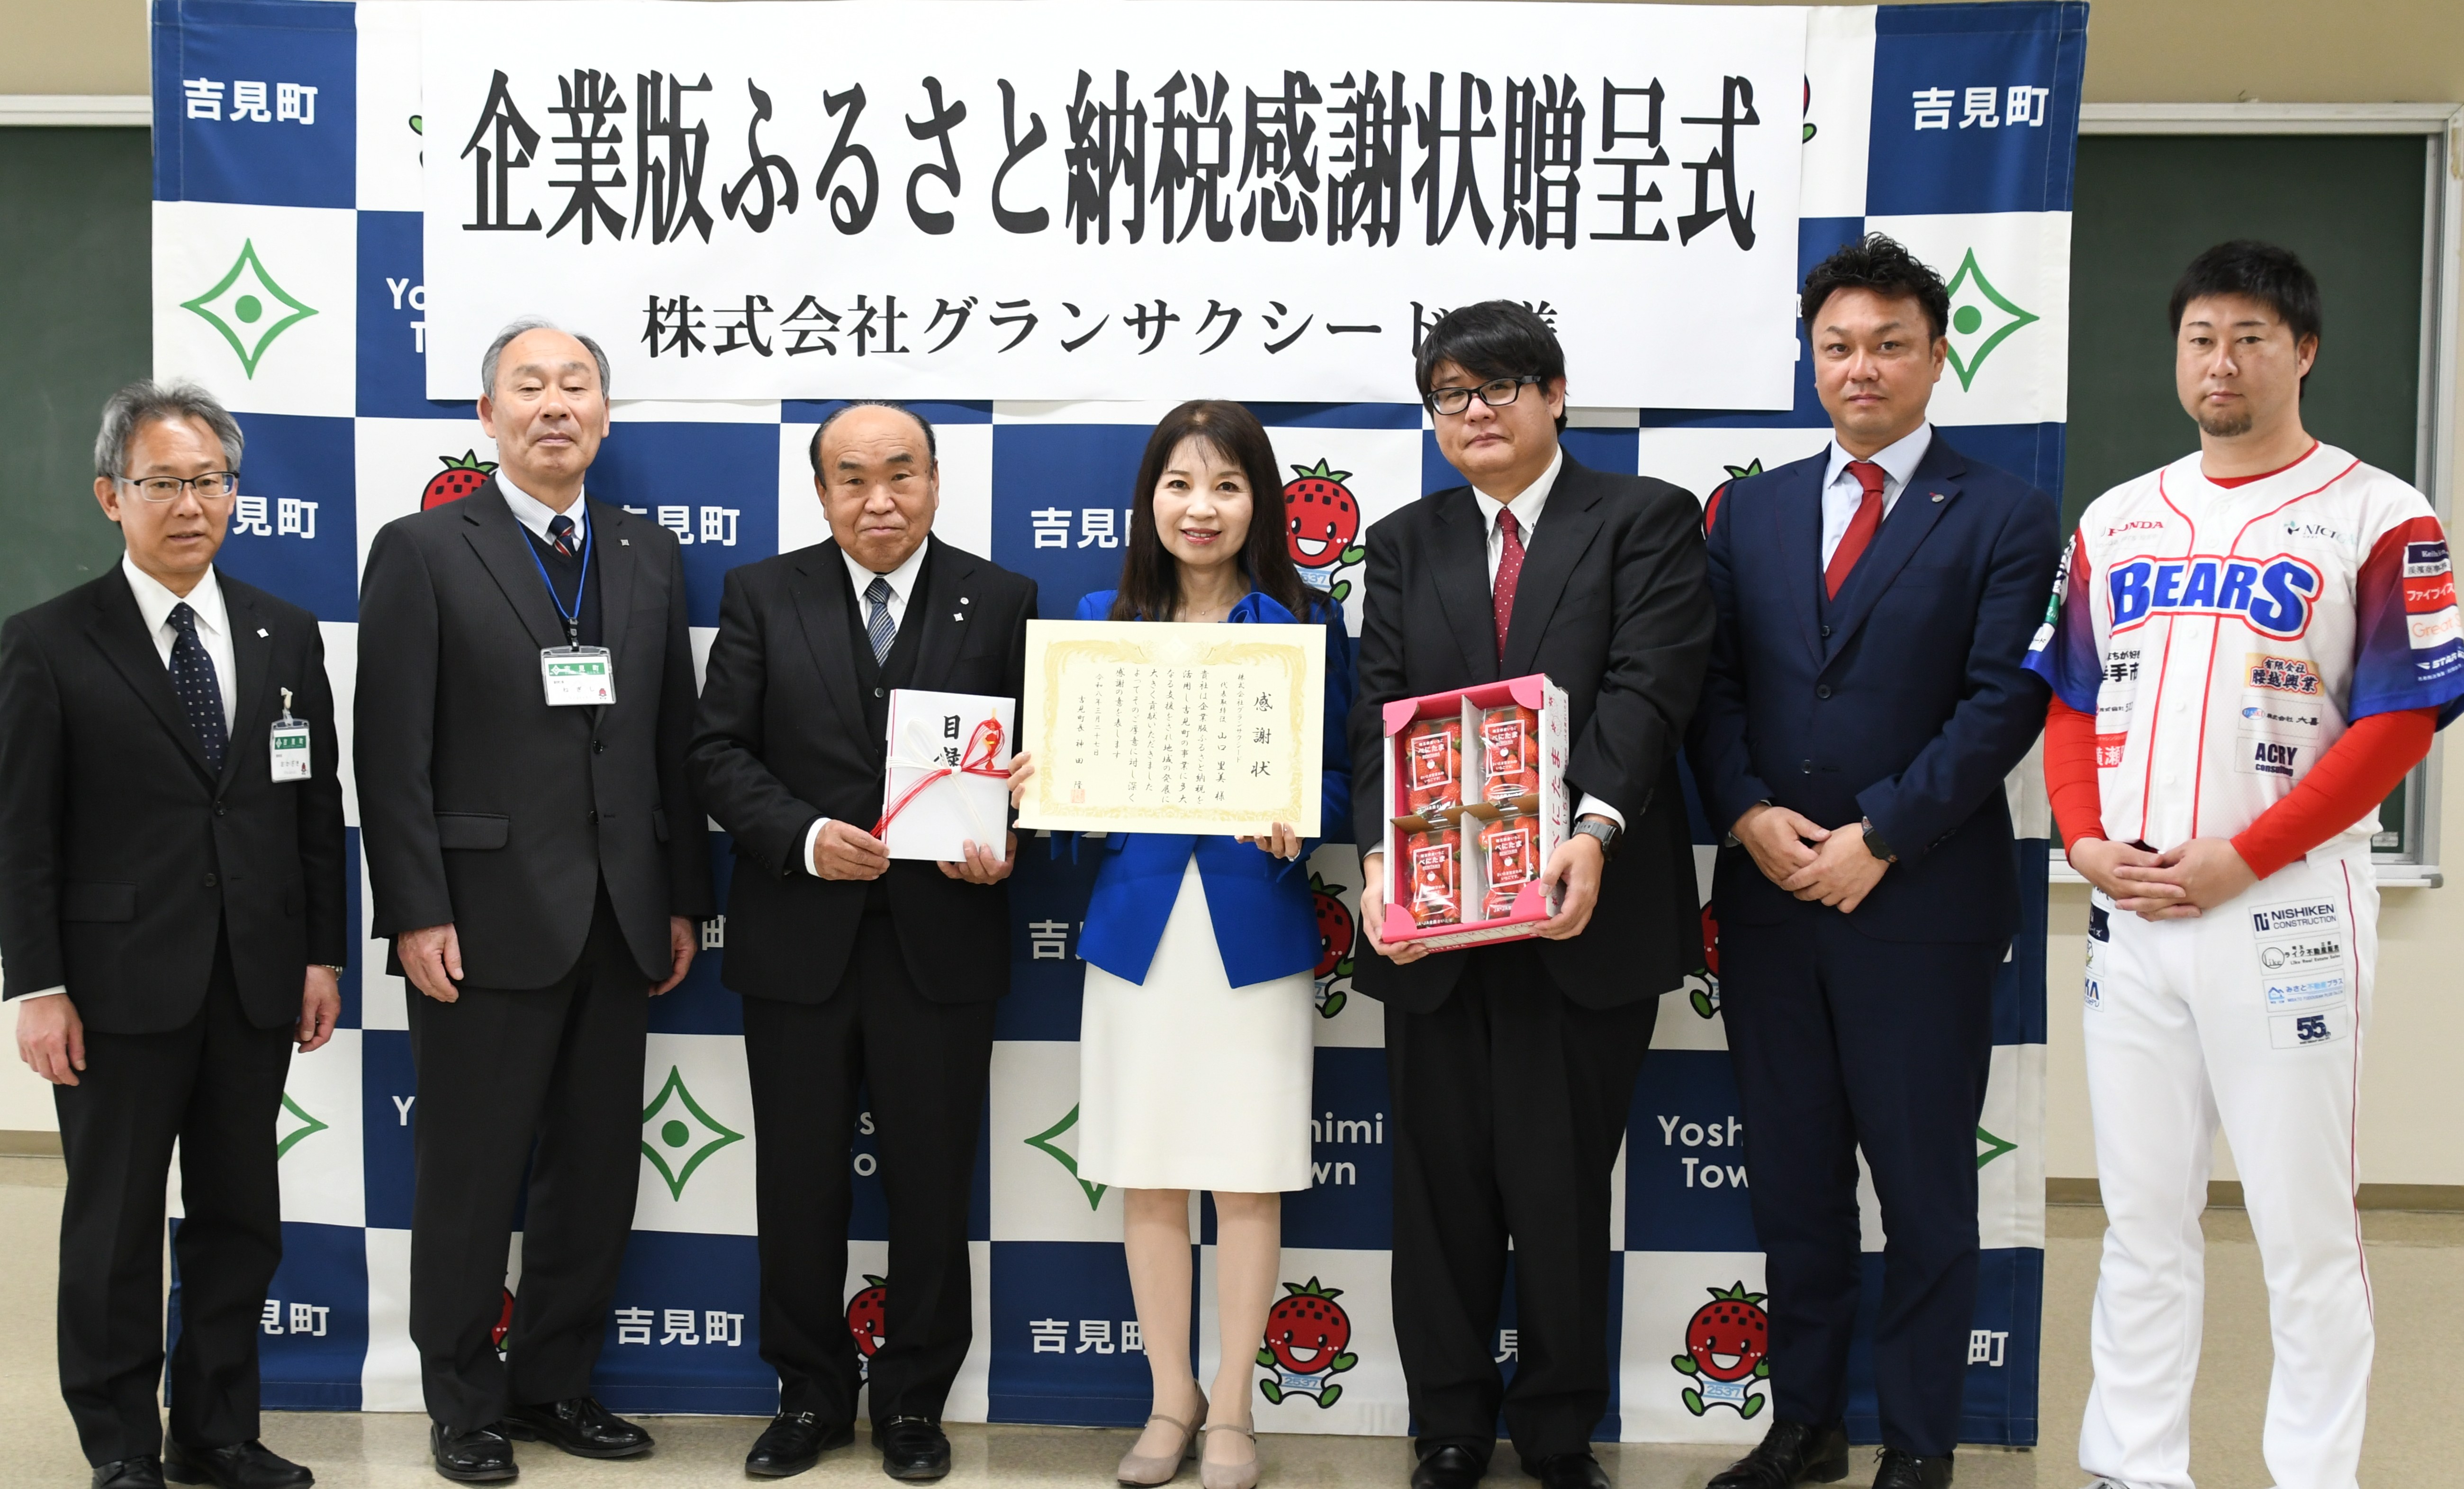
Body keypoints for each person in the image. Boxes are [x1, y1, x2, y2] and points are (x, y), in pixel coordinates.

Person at [2032, 241, 2462, 1489]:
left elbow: (2398, 722)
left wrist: (2248, 855)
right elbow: (2069, 700)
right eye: (2201, 337)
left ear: (2303, 351)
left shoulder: (2381, 513)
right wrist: (2082, 838)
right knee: (2141, 1218)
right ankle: (2134, 1465)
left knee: (2304, 1228)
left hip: (2285, 908)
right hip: (2132, 909)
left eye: (2251, 337)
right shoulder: (2117, 517)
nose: (2221, 362)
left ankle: (2313, 1473)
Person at [1685, 235, 2060, 1489]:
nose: (1863, 368)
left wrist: (1883, 834)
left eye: (1890, 345)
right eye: (1839, 346)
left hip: (1921, 904)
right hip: (1770, 896)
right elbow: (1712, 686)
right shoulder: (1752, 508)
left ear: (1938, 355)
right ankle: (1804, 1425)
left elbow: (2003, 701)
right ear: (1812, 358)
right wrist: (1746, 812)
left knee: (1925, 1191)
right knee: (1795, 1185)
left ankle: (1917, 1440)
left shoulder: (2004, 511)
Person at [1347, 302, 1712, 1489]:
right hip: (1435, 928)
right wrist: (1381, 863)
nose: (1476, 412)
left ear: (1555, 394)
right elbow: (1377, 715)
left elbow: (1648, 690)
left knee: (1560, 1187)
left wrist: (1592, 830)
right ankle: (1449, 1423)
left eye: (1500, 386)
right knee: (1438, 1190)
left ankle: (1557, 1429)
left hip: (1581, 910)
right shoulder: (1405, 542)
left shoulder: (1644, 518)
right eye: (1451, 395)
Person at [355, 319, 712, 1483]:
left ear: (604, 414)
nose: (555, 404)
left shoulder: (648, 549)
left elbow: (671, 739)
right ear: (488, 414)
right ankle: (462, 1399)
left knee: (594, 1170)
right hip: (480, 915)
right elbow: (390, 751)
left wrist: (680, 897)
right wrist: (415, 908)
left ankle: (555, 1380)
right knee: (469, 1171)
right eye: (530, 385)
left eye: (577, 385)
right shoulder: (422, 547)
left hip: (621, 914)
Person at [0, 381, 344, 1489]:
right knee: (113, 1224)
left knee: (241, 1218)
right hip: (111, 986)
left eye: (210, 481)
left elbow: (313, 808)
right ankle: (118, 1443)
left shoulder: (283, 632)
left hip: (252, 977)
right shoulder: (47, 641)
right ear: (112, 495)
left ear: (234, 492)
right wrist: (36, 985)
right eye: (163, 482)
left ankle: (216, 1429)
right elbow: (22, 835)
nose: (190, 504)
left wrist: (321, 954)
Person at [688, 401, 1036, 1484]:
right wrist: (801, 836)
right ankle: (808, 1393)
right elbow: (715, 751)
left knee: (934, 1183)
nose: (878, 499)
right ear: (820, 489)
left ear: (935, 480)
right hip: (799, 938)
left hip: (943, 940)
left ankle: (915, 1401)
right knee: (798, 1183)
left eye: (901, 473)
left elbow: (1038, 763)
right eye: (852, 477)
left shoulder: (1003, 598)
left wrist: (1009, 837)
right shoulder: (761, 592)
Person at [1030, 400, 1352, 1489]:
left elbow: (1343, 776)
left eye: (1225, 484)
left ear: (1259, 499)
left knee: (1248, 1175)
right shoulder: (1100, 620)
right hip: (1137, 930)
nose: (1200, 507)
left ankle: (1237, 1406)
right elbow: (1076, 809)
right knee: (1151, 1172)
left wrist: (1303, 813)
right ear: (1150, 500)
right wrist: (1048, 785)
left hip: (1253, 929)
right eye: (1178, 483)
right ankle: (1172, 1397)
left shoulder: (1303, 620)